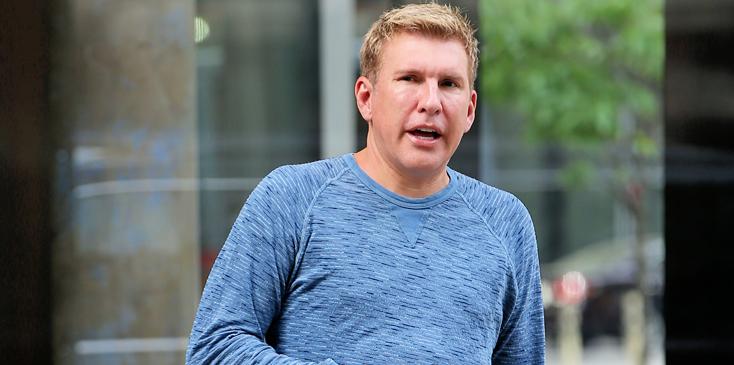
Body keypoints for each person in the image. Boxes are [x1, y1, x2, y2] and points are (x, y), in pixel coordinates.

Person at [186, 3, 545, 364]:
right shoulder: (290, 199)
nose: (431, 102)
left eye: (448, 84)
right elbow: (213, 348)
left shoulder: (505, 222)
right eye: (410, 79)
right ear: (366, 98)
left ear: (469, 110)